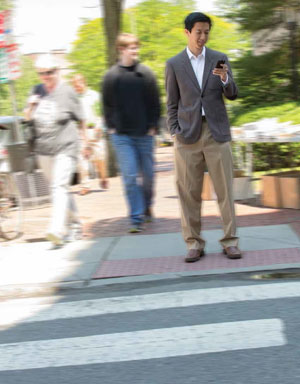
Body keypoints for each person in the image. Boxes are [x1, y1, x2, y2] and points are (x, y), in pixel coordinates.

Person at [165, 12, 242, 262]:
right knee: (188, 192)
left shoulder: (219, 58)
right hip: (186, 136)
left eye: (206, 32)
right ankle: (194, 243)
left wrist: (225, 78)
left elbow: (232, 94)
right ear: (187, 32)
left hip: (216, 132)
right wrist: (174, 130)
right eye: (198, 32)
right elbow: (172, 103)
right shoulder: (174, 64)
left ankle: (230, 241)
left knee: (225, 190)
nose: (203, 36)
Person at [24, 54, 87, 247]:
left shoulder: (67, 91)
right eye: (42, 73)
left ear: (57, 71)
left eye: (50, 72)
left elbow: (81, 118)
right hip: (43, 149)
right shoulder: (36, 91)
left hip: (65, 146)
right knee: (61, 188)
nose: (46, 76)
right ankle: (75, 225)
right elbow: (27, 119)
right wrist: (31, 107)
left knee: (58, 187)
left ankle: (56, 229)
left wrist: (85, 143)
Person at [102, 33, 160, 233]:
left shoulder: (146, 73)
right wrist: (111, 126)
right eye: (131, 47)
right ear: (121, 50)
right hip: (122, 135)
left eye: (136, 47)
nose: (135, 51)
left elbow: (155, 102)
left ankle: (147, 206)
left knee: (149, 176)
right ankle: (136, 218)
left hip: (145, 133)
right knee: (129, 176)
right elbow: (106, 105)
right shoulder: (111, 76)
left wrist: (153, 126)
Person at [72, 74, 108, 195]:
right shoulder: (73, 99)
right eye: (74, 85)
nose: (76, 87)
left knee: (100, 158)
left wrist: (100, 127)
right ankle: (85, 185)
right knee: (82, 159)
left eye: (78, 84)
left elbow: (101, 114)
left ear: (83, 82)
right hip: (81, 131)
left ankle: (103, 176)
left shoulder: (94, 96)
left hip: (95, 129)